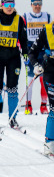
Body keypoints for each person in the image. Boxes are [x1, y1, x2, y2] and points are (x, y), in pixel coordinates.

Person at [0, 0, 29, 129]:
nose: (10, 8)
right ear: (2, 5)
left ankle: (13, 118)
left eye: (12, 5)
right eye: (7, 5)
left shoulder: (19, 20)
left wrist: (25, 53)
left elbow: (24, 40)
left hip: (13, 57)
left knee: (12, 88)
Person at [27, 20, 54, 154]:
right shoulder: (47, 31)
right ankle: (49, 144)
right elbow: (32, 52)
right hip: (50, 72)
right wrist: (36, 65)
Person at [23, 0, 50, 115]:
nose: (37, 6)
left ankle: (44, 105)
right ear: (31, 5)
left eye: (39, 3)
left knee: (44, 79)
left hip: (43, 50)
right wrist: (23, 51)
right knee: (30, 78)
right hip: (31, 50)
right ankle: (28, 105)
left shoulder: (47, 16)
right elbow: (22, 35)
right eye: (35, 4)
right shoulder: (26, 17)